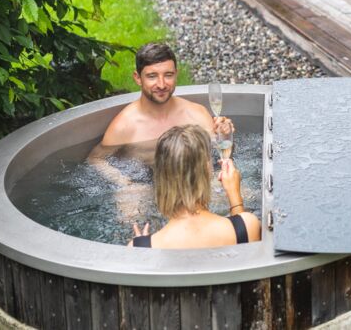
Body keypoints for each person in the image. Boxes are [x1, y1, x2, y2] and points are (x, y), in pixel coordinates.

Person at [129, 125, 261, 249]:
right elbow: (244, 242)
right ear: (207, 169)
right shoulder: (249, 225)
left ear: (161, 175)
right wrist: (234, 195)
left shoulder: (139, 248)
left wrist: (143, 248)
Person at [99, 42, 231, 147]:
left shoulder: (196, 114)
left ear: (176, 74)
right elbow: (97, 161)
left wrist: (225, 135)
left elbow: (219, 154)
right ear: (138, 78)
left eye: (168, 75)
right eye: (152, 76)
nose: (161, 85)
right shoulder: (125, 126)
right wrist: (126, 182)